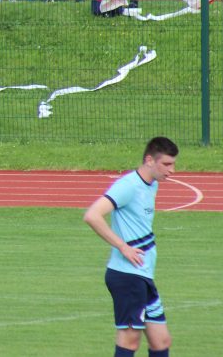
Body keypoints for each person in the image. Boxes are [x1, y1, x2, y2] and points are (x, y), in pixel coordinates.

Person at [83, 137, 178, 357]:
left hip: (143, 275)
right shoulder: (128, 186)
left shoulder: (151, 184)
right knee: (130, 340)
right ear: (149, 160)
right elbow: (92, 215)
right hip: (127, 276)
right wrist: (122, 246)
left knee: (161, 340)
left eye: (173, 164)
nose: (172, 170)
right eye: (166, 164)